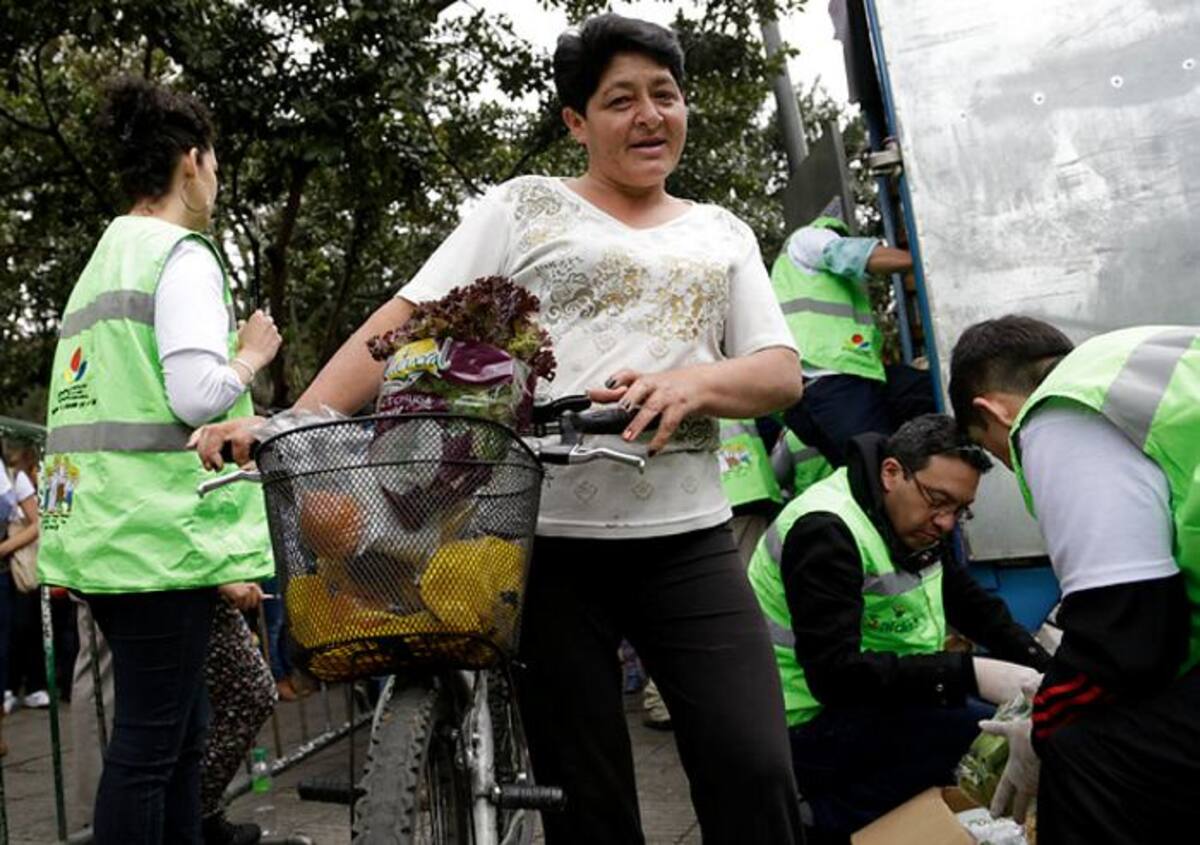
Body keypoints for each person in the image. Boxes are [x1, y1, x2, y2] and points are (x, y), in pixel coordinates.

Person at [196, 13, 806, 843]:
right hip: (541, 544)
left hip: (687, 537)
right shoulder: (526, 208)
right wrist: (302, 416)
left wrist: (693, 383)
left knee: (755, 767)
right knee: (586, 798)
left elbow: (778, 371)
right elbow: (408, 318)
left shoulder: (720, 231)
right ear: (576, 122)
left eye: (665, 95)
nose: (649, 116)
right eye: (620, 100)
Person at [37, 76, 280, 845]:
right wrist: (250, 357)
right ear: (190, 162)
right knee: (150, 748)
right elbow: (197, 394)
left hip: (113, 533)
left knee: (176, 739)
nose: (215, 180)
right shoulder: (180, 254)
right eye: (213, 164)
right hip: (160, 539)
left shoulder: (106, 257)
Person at [948, 316, 1200, 844]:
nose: (1018, 464)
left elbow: (1127, 632)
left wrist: (1044, 724)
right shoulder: (1146, 362)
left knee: (1083, 748)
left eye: (999, 452)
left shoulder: (1057, 412)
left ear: (991, 410)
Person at [747, 414, 1049, 841]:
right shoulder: (826, 530)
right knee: (974, 737)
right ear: (892, 473)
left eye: (960, 510)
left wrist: (1047, 672)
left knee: (981, 726)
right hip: (801, 721)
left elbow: (973, 606)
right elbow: (834, 675)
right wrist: (967, 673)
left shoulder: (911, 520)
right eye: (937, 500)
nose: (946, 522)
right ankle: (818, 820)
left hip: (871, 698)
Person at [772, 216, 936, 465]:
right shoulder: (809, 237)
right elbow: (852, 254)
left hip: (845, 381)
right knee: (880, 472)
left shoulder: (803, 276)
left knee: (930, 390)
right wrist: (926, 259)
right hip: (829, 380)